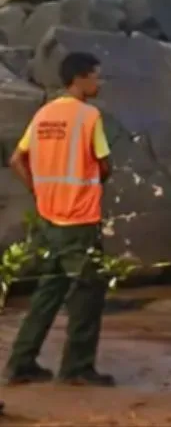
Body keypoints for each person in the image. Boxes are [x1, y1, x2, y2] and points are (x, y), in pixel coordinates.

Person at [4, 52, 114, 387]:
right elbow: (104, 164)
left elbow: (16, 160)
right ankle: (77, 367)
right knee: (87, 291)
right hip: (79, 218)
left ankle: (21, 361)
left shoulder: (44, 115)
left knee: (49, 290)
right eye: (96, 75)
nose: (99, 81)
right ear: (79, 78)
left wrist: (39, 191)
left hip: (49, 216)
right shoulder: (88, 117)